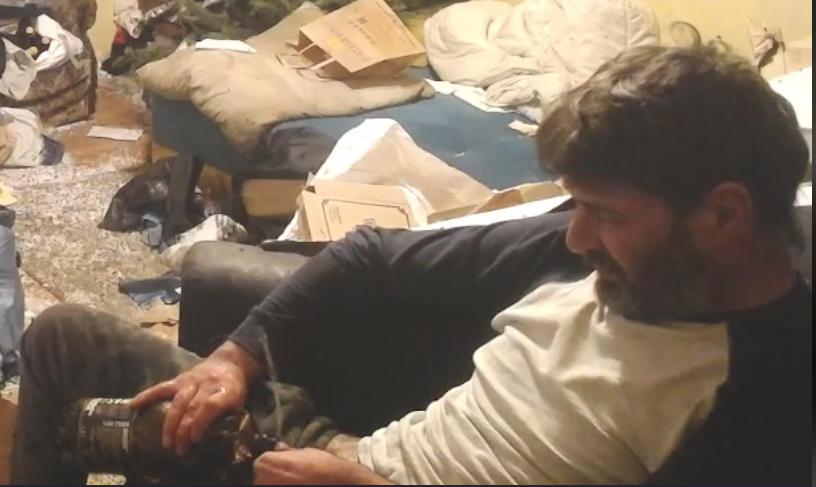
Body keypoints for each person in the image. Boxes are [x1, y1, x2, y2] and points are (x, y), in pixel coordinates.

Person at [11, 41, 811, 485]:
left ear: (723, 215)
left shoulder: (760, 395)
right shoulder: (591, 253)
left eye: (606, 213)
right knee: (65, 341)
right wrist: (233, 358)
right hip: (346, 453)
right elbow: (367, 255)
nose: (575, 236)